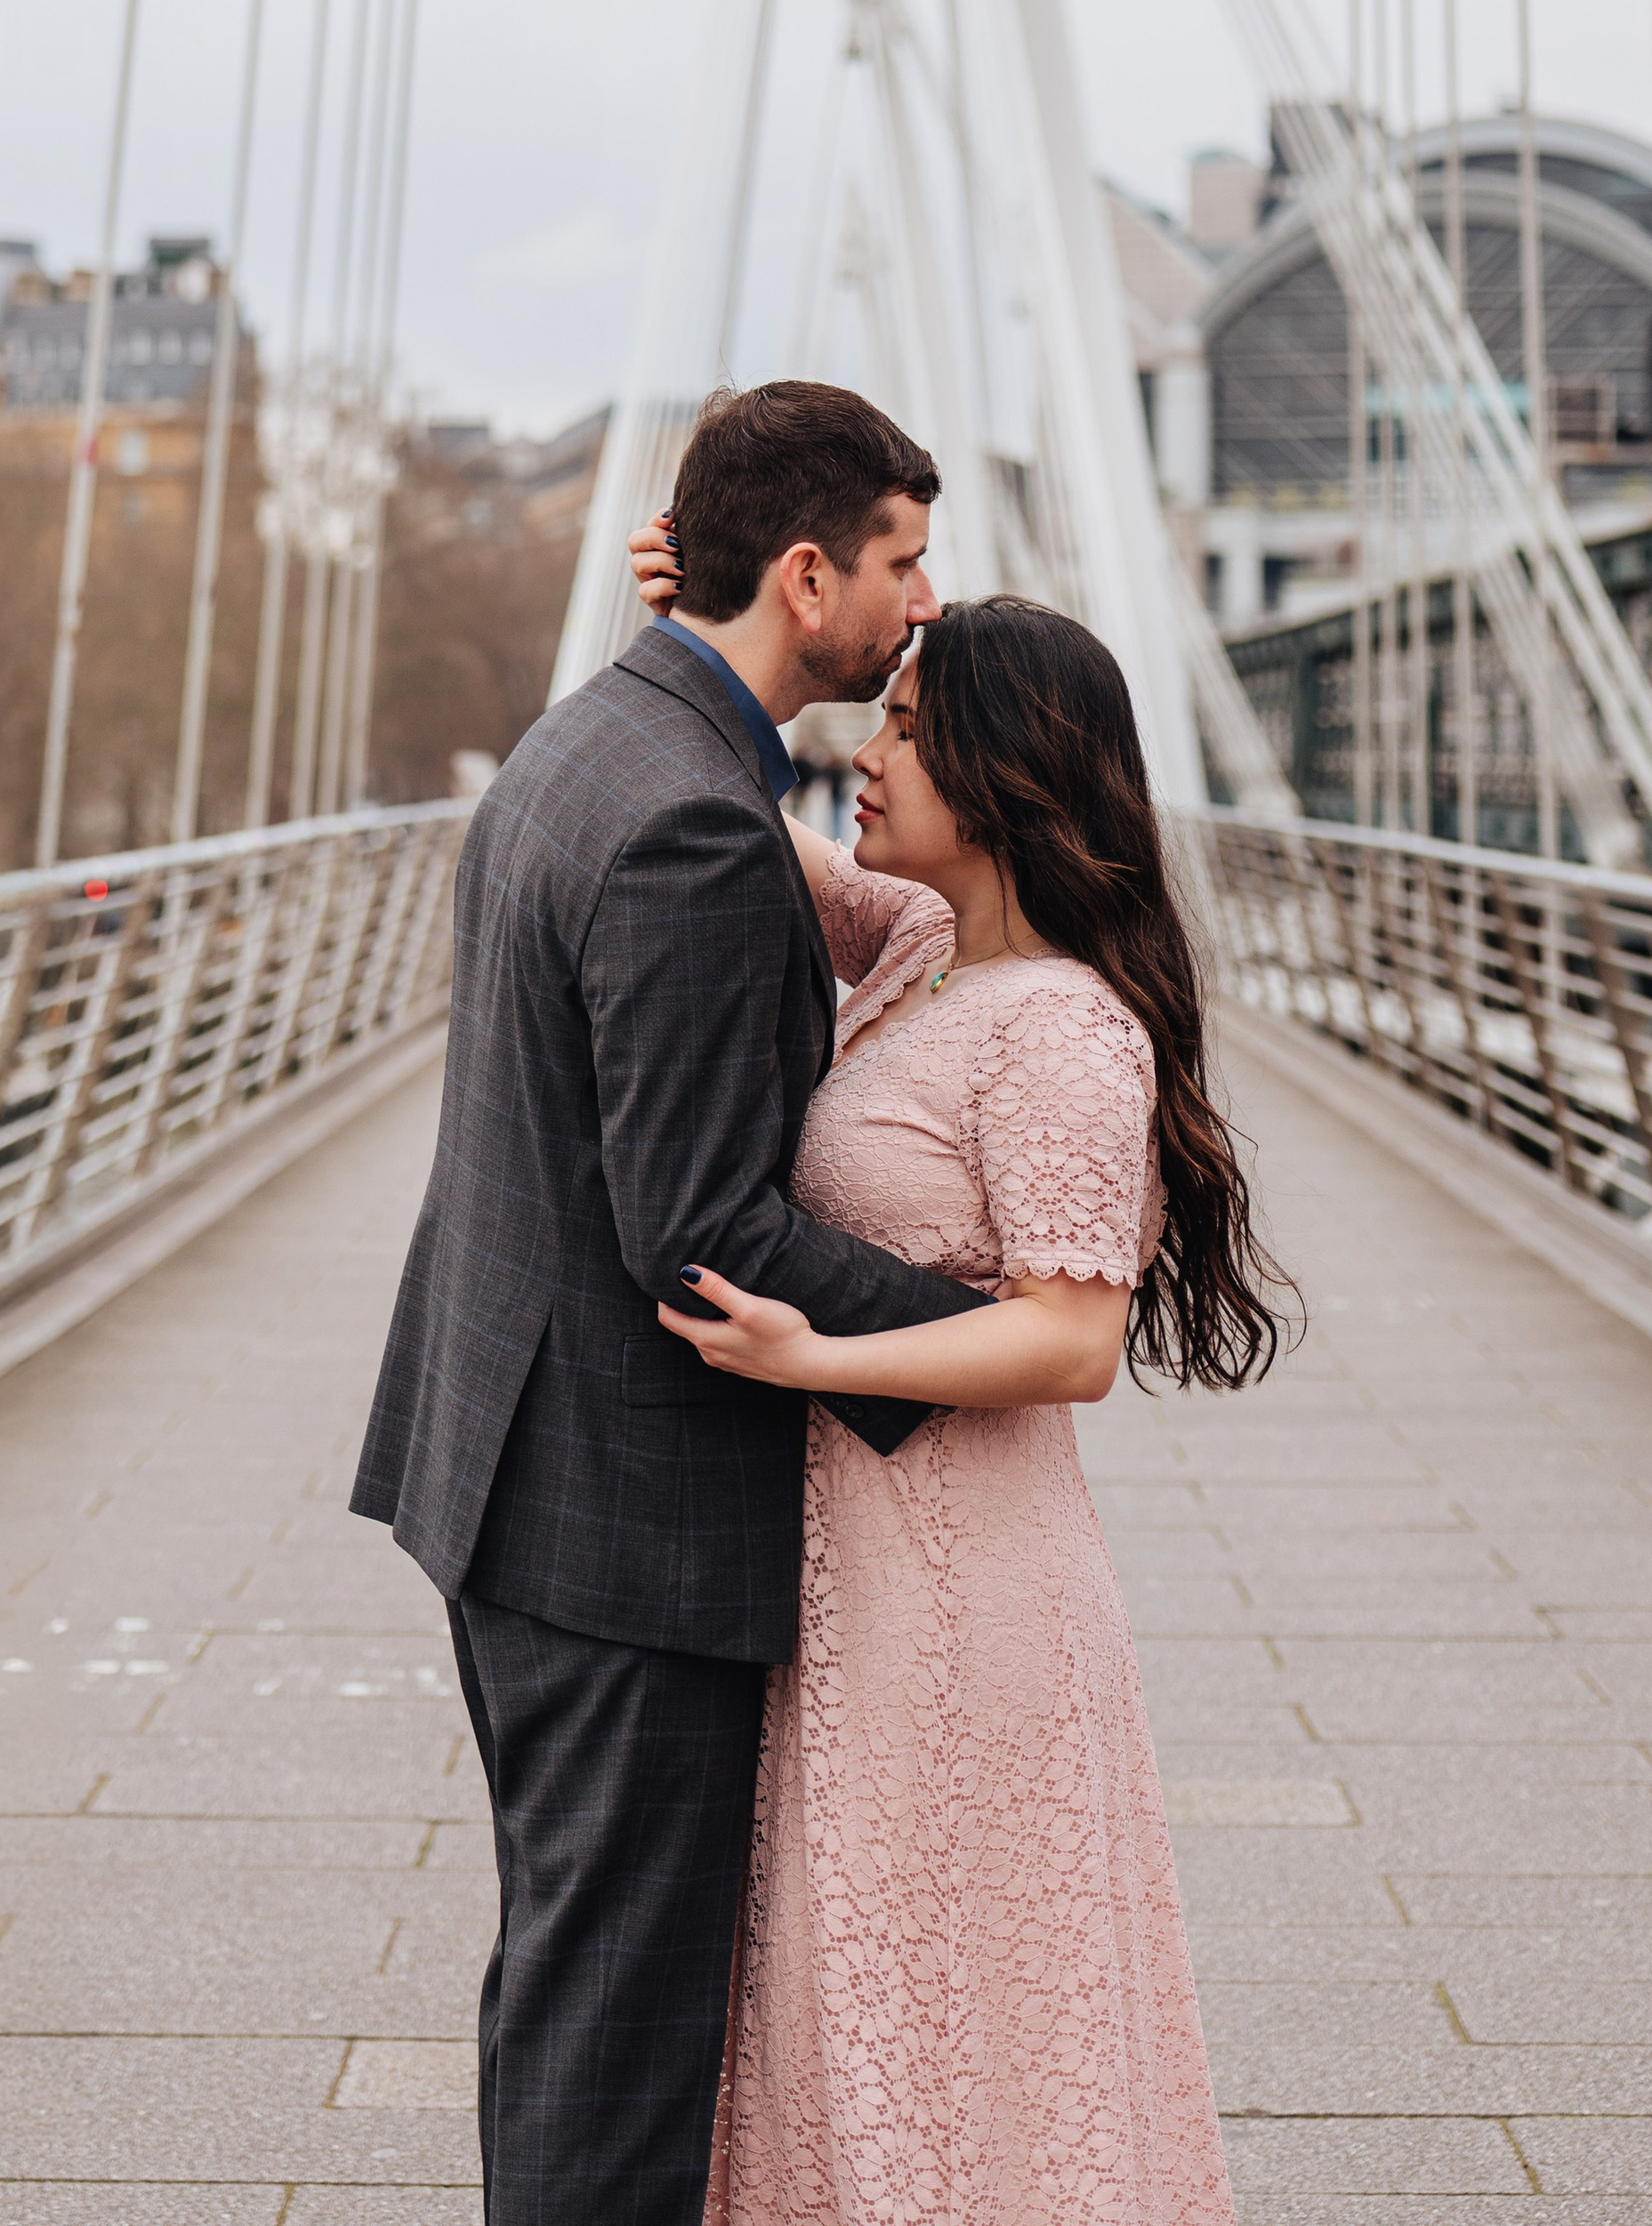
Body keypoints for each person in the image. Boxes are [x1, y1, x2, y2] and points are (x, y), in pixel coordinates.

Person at [349, 382, 995, 2226]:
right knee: (617, 2041)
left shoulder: (589, 740)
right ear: (807, 576)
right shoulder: (693, 828)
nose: (923, 600)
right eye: (901, 559)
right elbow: (694, 1226)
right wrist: (973, 1336)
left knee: (568, 1991)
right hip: (614, 1525)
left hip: (508, 1471)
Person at [627, 531, 1286, 2223]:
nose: (871, 749)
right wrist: (689, 632)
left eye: (906, 727)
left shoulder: (1065, 1029)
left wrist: (815, 1349)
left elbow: (1074, 1335)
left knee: (961, 2005)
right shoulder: (923, 946)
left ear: (997, 772)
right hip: (854, 1570)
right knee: (856, 1988)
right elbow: (744, 835)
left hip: (966, 1589)